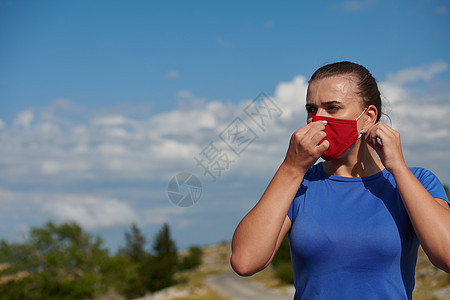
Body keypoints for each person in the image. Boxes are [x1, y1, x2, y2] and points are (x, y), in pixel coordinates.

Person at [230, 61, 450, 299]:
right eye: (311, 109)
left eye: (332, 108)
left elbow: (446, 255)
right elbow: (245, 261)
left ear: (368, 118)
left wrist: (397, 167)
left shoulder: (417, 181)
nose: (318, 119)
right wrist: (291, 168)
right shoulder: (300, 184)